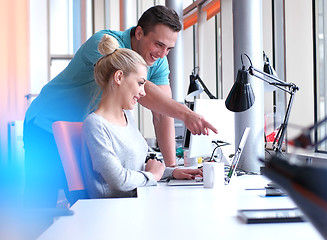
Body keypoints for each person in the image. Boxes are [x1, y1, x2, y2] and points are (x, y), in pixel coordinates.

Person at [23, 5, 216, 208]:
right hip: (46, 123)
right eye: (159, 45)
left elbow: (162, 113)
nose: (162, 54)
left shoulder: (157, 61)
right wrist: (186, 114)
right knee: (40, 204)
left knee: (77, 201)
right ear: (139, 32)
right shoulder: (105, 44)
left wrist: (170, 169)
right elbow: (144, 92)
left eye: (169, 49)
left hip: (82, 132)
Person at [81, 34, 202, 198]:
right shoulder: (95, 125)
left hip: (136, 202)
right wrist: (154, 176)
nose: (143, 92)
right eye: (140, 83)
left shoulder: (127, 117)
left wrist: (172, 173)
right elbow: (120, 180)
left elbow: (137, 171)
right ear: (119, 77)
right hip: (113, 211)